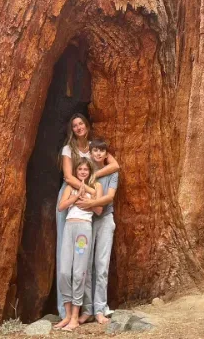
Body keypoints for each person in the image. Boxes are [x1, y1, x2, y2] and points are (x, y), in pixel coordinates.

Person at [56, 114, 120, 318]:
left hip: (92, 206)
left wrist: (93, 180)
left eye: (81, 123)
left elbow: (114, 166)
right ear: (71, 129)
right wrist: (88, 190)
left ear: (87, 125)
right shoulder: (68, 148)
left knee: (87, 259)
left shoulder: (95, 147)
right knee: (68, 255)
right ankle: (69, 309)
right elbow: (68, 176)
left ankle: (92, 308)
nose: (78, 127)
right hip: (72, 198)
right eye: (74, 125)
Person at [55, 158, 103, 331]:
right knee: (64, 272)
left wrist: (86, 200)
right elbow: (61, 207)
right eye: (80, 169)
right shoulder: (70, 187)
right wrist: (76, 196)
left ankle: (75, 316)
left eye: (85, 169)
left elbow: (98, 209)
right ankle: (67, 315)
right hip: (69, 227)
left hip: (83, 230)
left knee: (78, 272)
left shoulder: (96, 187)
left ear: (89, 171)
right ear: (76, 171)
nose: (83, 172)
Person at [76, 138, 119, 324]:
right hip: (85, 221)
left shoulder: (112, 173)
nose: (99, 154)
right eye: (95, 151)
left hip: (105, 220)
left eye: (102, 151)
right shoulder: (85, 171)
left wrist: (91, 203)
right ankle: (87, 310)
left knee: (102, 265)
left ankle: (100, 309)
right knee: (85, 265)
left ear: (106, 154)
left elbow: (109, 197)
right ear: (90, 153)